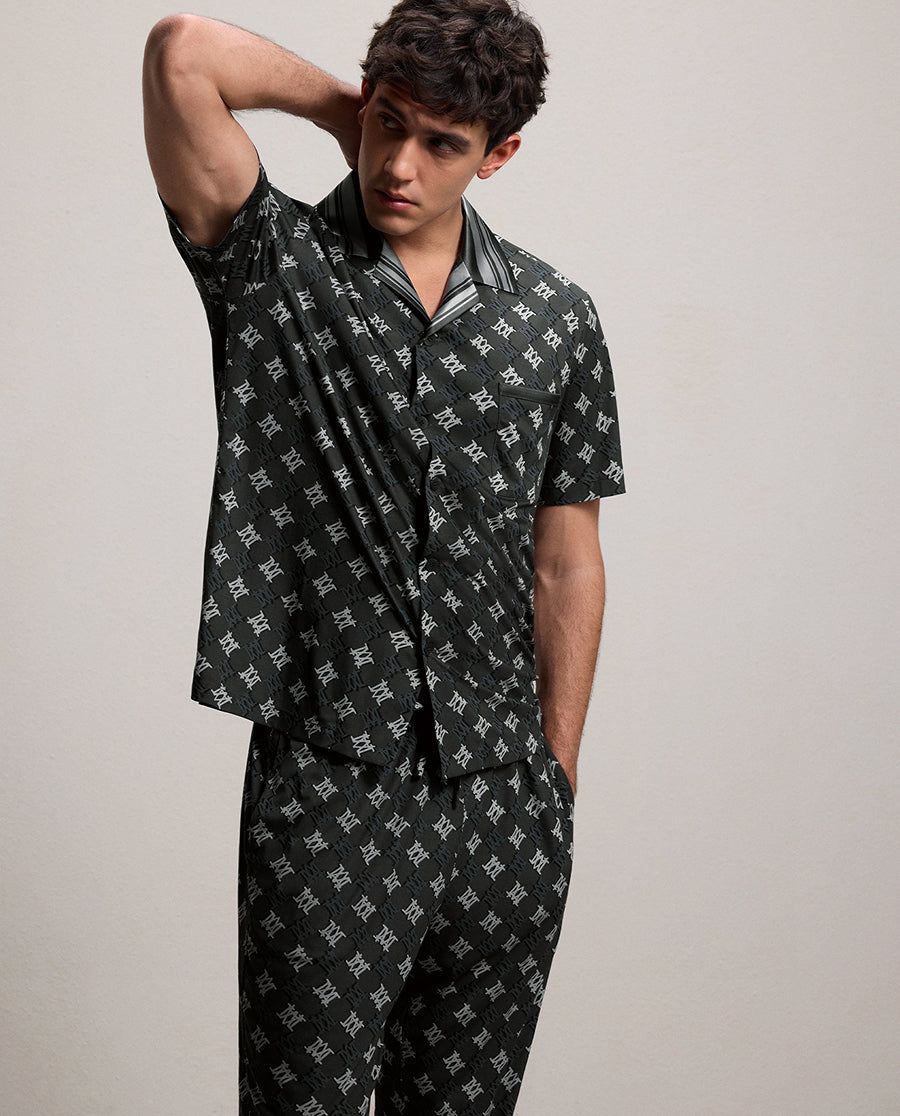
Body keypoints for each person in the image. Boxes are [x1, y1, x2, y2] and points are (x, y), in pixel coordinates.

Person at [142, 1, 625, 1111]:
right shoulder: (273, 264)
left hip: (506, 797)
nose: (400, 166)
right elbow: (182, 54)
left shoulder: (557, 318)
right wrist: (345, 110)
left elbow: (567, 559)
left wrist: (553, 779)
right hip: (330, 784)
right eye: (389, 125)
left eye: (442, 142)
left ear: (499, 155)